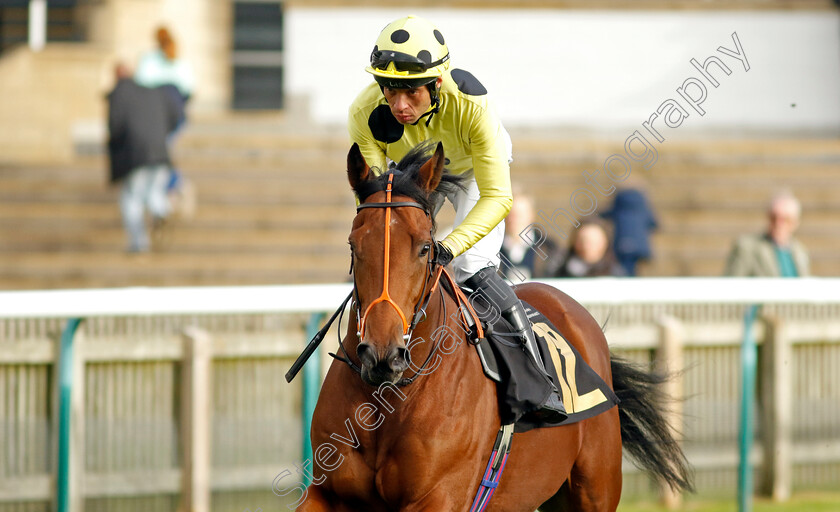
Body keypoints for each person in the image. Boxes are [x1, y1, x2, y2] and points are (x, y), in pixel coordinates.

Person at [348, 15, 566, 424]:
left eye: (411, 92)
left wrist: (448, 246)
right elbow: (380, 198)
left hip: (472, 172)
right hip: (415, 170)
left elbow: (499, 197)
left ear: (437, 83)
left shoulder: (474, 105)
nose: (399, 106)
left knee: (469, 264)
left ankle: (535, 380)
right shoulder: (363, 112)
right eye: (390, 91)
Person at [107, 62, 180, 252]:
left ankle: (139, 244)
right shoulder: (154, 93)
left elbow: (115, 127)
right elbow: (174, 116)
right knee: (154, 191)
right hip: (161, 153)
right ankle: (162, 210)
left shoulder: (119, 93)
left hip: (135, 155)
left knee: (131, 198)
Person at [725, 191, 810, 277]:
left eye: (786, 219)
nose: (779, 224)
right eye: (774, 218)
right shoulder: (747, 248)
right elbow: (732, 283)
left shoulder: (800, 251)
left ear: (795, 222)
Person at [500, 191, 564, 281]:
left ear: (531, 215)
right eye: (510, 214)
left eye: (519, 215)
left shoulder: (549, 249)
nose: (514, 219)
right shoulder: (491, 248)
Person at [600, 184, 658, 276]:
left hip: (621, 243)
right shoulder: (643, 207)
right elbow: (654, 224)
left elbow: (605, 215)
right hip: (639, 245)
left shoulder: (618, 205)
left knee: (623, 267)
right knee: (633, 267)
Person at [554, 219, 626, 278]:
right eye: (583, 241)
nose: (587, 246)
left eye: (594, 241)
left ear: (605, 243)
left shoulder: (616, 273)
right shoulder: (559, 268)